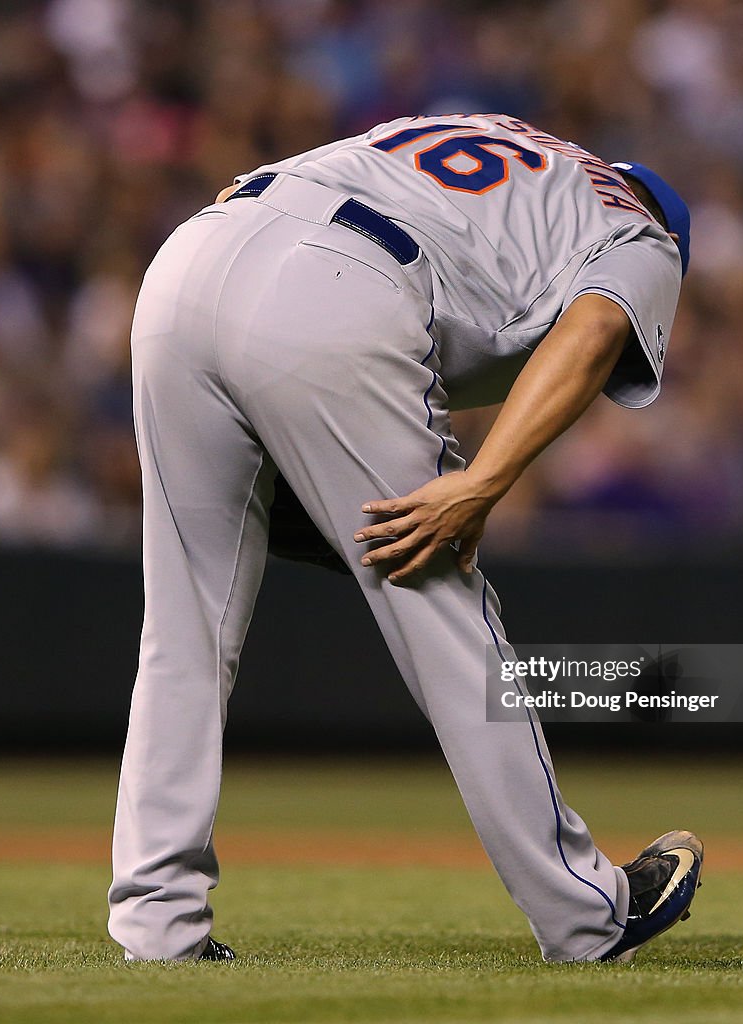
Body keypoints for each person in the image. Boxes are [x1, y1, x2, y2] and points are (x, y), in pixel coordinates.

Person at [107, 113, 703, 965]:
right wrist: (484, 480)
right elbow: (599, 324)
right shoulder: (641, 232)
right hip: (342, 288)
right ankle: (586, 917)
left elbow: (261, 187)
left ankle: (157, 925)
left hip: (196, 252)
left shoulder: (497, 135)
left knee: (184, 628)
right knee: (445, 607)